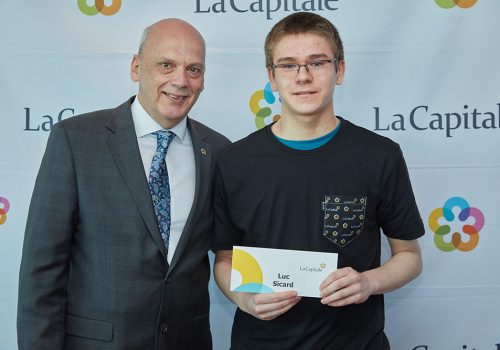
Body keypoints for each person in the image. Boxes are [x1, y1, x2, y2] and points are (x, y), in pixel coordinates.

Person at [213, 12, 424, 350]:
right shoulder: (233, 162)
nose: (303, 76)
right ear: (271, 77)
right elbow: (225, 260)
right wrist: (245, 300)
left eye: (317, 62)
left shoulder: (380, 155)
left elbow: (409, 255)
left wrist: (368, 282)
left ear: (339, 70)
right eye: (288, 65)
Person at [17, 18, 230, 350]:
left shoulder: (218, 151)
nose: (180, 80)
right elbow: (41, 272)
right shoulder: (76, 140)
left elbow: (234, 249)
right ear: (136, 67)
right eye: (166, 64)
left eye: (194, 69)